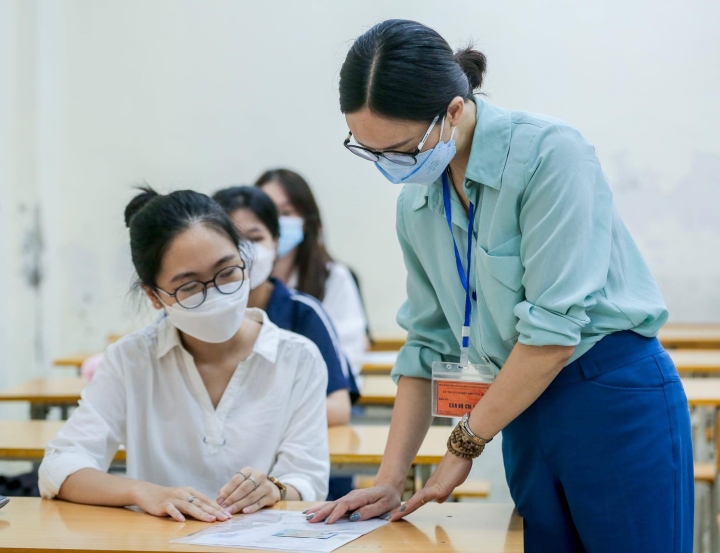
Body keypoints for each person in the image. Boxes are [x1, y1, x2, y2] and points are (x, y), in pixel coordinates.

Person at [305, 19, 693, 553]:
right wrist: (389, 480)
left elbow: (554, 336)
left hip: (609, 395)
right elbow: (425, 345)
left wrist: (463, 443)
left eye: (399, 149)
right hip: (517, 407)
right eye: (370, 152)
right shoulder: (418, 203)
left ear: (454, 112)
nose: (389, 168)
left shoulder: (549, 156)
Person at [39, 187, 329, 522]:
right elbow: (60, 466)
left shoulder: (298, 358)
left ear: (244, 259)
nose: (216, 294)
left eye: (227, 272)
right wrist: (140, 491)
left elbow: (307, 478)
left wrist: (275, 488)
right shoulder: (131, 359)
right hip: (163, 542)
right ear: (154, 296)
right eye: (189, 287)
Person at [213, 185, 359, 501]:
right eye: (232, 241)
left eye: (255, 238)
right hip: (214, 486)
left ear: (276, 242)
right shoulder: (195, 315)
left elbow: (338, 407)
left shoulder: (303, 312)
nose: (245, 252)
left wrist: (254, 421)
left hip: (296, 487)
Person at [255, 169, 369, 380]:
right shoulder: (241, 278)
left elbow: (347, 355)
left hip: (321, 393)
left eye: (287, 213)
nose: (277, 222)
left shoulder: (332, 277)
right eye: (269, 213)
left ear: (307, 220)